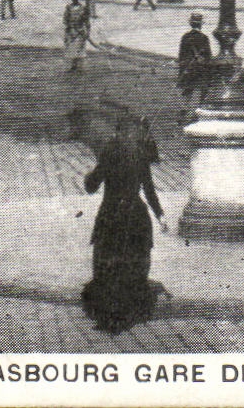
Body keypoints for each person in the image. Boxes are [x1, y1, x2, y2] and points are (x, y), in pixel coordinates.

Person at [81, 113, 167, 333]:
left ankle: (108, 312)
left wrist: (89, 175)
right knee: (134, 264)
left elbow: (92, 185)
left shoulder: (110, 152)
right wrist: (160, 215)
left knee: (108, 263)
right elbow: (148, 188)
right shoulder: (140, 154)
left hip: (111, 214)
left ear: (118, 132)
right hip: (136, 215)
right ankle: (130, 310)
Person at [176, 13, 215, 99]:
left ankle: (185, 105)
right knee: (205, 86)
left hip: (188, 66)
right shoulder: (204, 38)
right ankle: (201, 104)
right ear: (201, 25)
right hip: (200, 68)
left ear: (191, 24)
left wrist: (182, 67)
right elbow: (208, 55)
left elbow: (181, 54)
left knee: (189, 88)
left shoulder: (185, 37)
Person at [64, 0, 91, 72]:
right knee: (72, 48)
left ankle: (77, 65)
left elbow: (87, 21)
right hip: (71, 30)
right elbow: (65, 19)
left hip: (80, 31)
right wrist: (68, 26)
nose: (74, 0)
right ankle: (73, 65)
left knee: (79, 47)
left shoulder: (83, 8)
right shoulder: (69, 7)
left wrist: (87, 31)